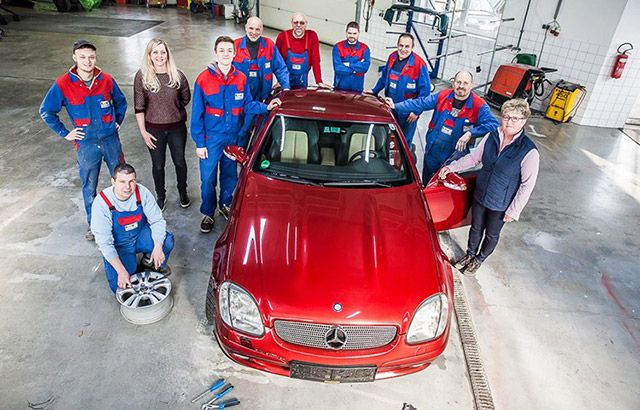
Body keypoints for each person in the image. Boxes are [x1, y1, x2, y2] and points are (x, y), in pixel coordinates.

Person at [439, 99, 540, 275]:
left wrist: (513, 210)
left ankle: (479, 259)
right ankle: (470, 254)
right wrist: (451, 167)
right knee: (476, 227)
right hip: (480, 194)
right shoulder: (491, 136)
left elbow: (527, 185)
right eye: (506, 116)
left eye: (515, 118)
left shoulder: (528, 151)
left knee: (491, 234)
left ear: (524, 120)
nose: (509, 121)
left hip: (501, 202)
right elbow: (473, 159)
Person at [191, 36, 281, 233]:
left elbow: (247, 104)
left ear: (234, 53)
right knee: (208, 178)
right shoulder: (203, 80)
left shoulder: (240, 78)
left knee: (230, 174)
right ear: (216, 53)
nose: (225, 54)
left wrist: (267, 107)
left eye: (229, 50)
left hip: (232, 137)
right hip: (211, 138)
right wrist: (199, 143)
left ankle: (225, 203)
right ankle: (208, 212)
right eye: (221, 50)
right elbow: (197, 114)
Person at [40, 39, 127, 241]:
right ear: (74, 58)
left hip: (110, 140)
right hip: (86, 144)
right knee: (90, 185)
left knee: (122, 180)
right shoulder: (63, 84)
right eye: (83, 57)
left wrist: (117, 121)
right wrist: (65, 133)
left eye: (91, 57)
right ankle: (94, 225)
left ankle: (123, 219)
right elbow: (46, 111)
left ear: (96, 58)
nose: (88, 61)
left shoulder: (106, 80)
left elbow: (121, 102)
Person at [387, 71, 499, 183]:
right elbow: (420, 103)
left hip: (455, 156)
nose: (461, 86)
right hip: (433, 151)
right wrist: (395, 106)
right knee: (428, 182)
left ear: (471, 85)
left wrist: (471, 133)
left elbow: (494, 125)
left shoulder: (478, 105)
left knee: (445, 185)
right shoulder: (442, 96)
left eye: (465, 83)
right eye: (458, 82)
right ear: (453, 83)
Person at [90, 163, 174, 293]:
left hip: (140, 235)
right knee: (121, 287)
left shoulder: (142, 192)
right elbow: (104, 243)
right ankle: (129, 265)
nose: (128, 187)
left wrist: (158, 246)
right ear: (113, 182)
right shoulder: (102, 203)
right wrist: (121, 271)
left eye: (131, 181)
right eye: (122, 181)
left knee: (166, 241)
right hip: (119, 244)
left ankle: (149, 262)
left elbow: (157, 220)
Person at [134, 38, 191, 212]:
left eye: (163, 52)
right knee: (158, 165)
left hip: (176, 128)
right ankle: (161, 195)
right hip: (153, 130)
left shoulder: (177, 74)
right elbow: (139, 107)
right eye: (155, 52)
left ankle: (183, 191)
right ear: (149, 55)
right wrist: (143, 132)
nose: (160, 56)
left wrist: (171, 109)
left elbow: (186, 98)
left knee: (180, 162)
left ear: (168, 54)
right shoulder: (142, 76)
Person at [368, 33, 431, 147]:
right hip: (391, 107)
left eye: (407, 46)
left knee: (404, 141)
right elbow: (384, 77)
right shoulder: (392, 57)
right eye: (401, 45)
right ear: (397, 45)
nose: (403, 49)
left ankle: (402, 161)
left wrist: (416, 112)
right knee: (390, 135)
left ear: (412, 47)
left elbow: (425, 93)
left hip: (408, 112)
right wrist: (374, 91)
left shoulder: (419, 65)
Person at [233, 16, 290, 102]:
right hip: (240, 94)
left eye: (257, 29)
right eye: (251, 28)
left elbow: (280, 68)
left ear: (262, 30)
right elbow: (224, 68)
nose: (254, 32)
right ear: (246, 28)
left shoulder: (269, 45)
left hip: (262, 96)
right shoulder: (235, 45)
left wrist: (285, 88)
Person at [275, 12, 331, 89]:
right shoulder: (282, 36)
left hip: (302, 79)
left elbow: (316, 60)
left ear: (306, 24)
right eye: (296, 22)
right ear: (291, 23)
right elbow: (276, 61)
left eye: (302, 23)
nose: (298, 25)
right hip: (285, 79)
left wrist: (319, 81)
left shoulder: (312, 36)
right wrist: (279, 81)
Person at [332, 21, 370, 92]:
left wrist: (348, 64)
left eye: (354, 33)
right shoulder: (338, 47)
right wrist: (356, 69)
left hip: (357, 87)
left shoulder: (365, 49)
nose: (352, 36)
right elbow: (338, 68)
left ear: (358, 33)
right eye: (349, 33)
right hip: (340, 86)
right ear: (346, 33)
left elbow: (365, 68)